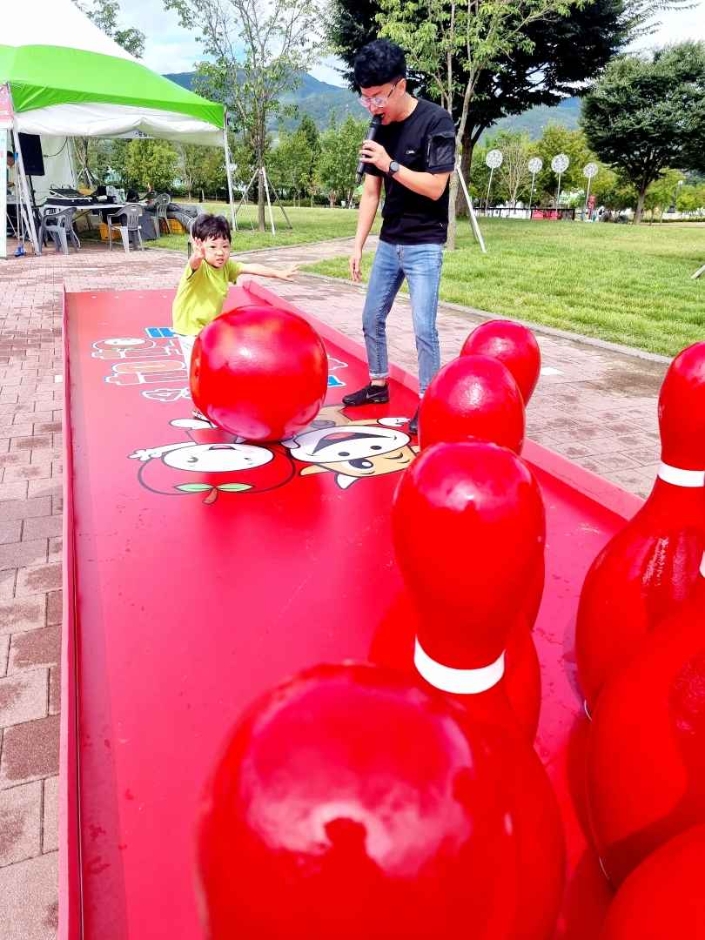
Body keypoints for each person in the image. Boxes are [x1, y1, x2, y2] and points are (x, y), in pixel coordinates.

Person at [342, 39, 456, 434]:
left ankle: (431, 402)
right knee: (371, 317)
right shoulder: (379, 128)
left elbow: (436, 188)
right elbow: (370, 192)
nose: (372, 107)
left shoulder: (436, 121)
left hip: (425, 242)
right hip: (390, 241)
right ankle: (377, 384)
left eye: (377, 97)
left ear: (400, 86)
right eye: (365, 99)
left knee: (424, 328)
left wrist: (390, 165)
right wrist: (358, 244)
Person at [172, 213, 297, 417]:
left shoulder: (225, 267)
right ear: (200, 245)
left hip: (209, 326)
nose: (220, 252)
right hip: (189, 327)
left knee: (215, 363)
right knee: (198, 368)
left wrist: (277, 273)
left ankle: (216, 398)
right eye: (213, 247)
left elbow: (250, 268)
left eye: (225, 246)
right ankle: (200, 408)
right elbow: (194, 263)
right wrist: (196, 255)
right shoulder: (199, 266)